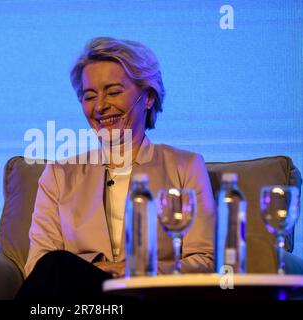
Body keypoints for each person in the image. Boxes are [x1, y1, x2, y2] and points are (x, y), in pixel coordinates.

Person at [15, 37, 215, 301]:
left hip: (149, 294)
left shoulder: (185, 166)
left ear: (148, 98)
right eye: (89, 96)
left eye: (113, 91)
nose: (100, 107)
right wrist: (94, 272)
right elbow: (39, 265)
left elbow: (204, 261)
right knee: (55, 265)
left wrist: (133, 271)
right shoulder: (59, 174)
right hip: (81, 302)